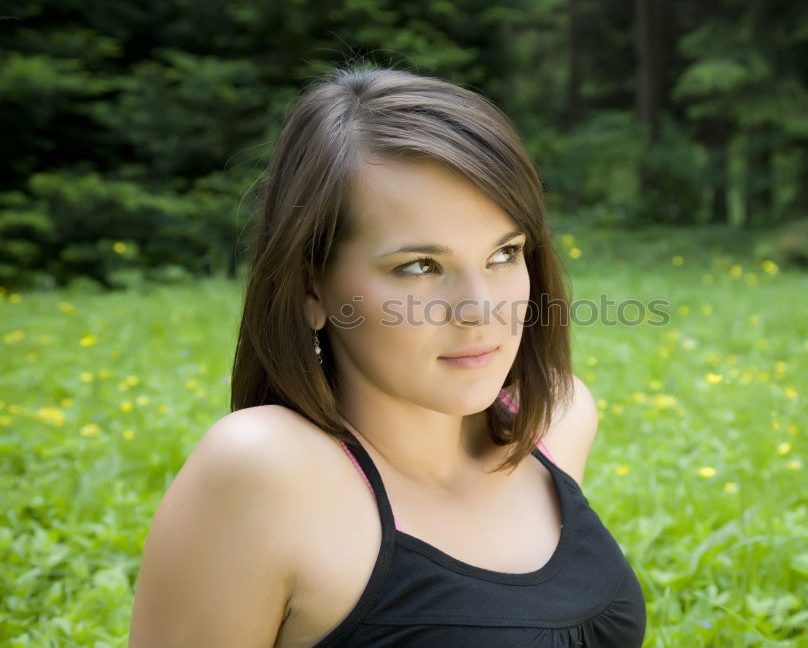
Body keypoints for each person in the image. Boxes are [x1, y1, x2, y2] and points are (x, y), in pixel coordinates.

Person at [128, 64, 646, 647]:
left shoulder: (558, 418)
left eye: (504, 253)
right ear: (311, 288)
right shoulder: (264, 469)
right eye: (420, 266)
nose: (481, 310)